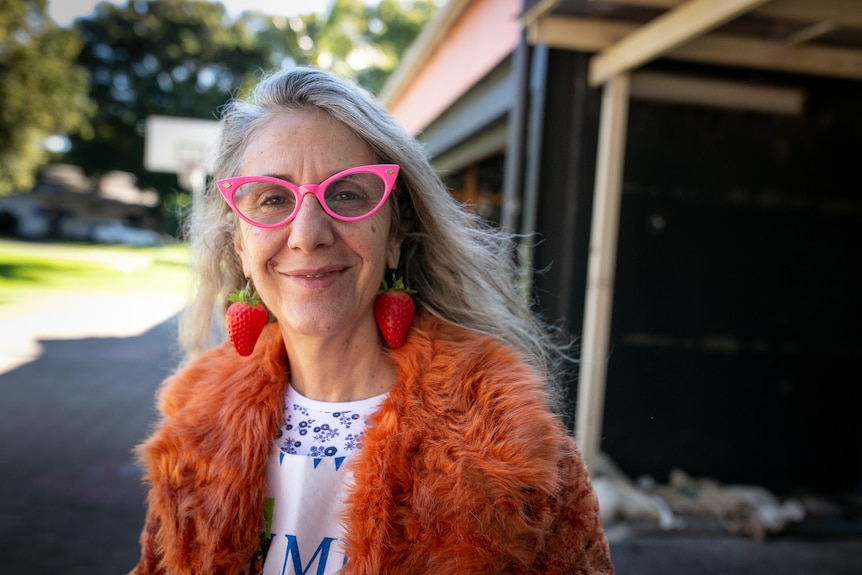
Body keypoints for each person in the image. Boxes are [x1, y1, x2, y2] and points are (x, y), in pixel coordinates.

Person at [129, 66, 614, 575]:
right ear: (240, 246)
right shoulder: (194, 428)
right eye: (272, 199)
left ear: (396, 234)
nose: (307, 233)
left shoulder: (514, 446)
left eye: (346, 194)